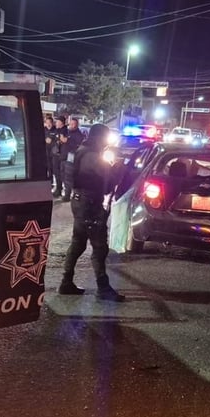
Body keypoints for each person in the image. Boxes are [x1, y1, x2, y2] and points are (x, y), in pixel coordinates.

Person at [59, 122, 125, 302]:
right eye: (105, 139)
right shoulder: (94, 157)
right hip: (89, 204)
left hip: (79, 201)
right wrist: (117, 170)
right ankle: (103, 288)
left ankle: (66, 282)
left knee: (78, 242)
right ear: (99, 137)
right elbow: (107, 186)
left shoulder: (80, 151)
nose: (106, 143)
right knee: (99, 246)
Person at [58, 117, 86, 201]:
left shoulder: (78, 135)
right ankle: (65, 191)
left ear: (77, 125)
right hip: (63, 156)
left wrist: (65, 140)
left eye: (74, 124)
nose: (72, 125)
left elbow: (72, 144)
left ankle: (67, 195)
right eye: (71, 123)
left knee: (68, 177)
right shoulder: (67, 132)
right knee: (62, 175)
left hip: (71, 158)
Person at [50, 115, 68, 198]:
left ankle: (61, 190)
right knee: (56, 173)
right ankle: (58, 189)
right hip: (55, 154)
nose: (56, 122)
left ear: (61, 122)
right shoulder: (57, 130)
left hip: (61, 155)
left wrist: (61, 138)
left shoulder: (65, 130)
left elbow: (64, 140)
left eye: (57, 121)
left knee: (61, 173)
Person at [43, 114, 56, 183]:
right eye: (47, 123)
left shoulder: (55, 130)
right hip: (45, 152)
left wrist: (52, 140)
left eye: (50, 123)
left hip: (53, 152)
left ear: (52, 123)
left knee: (51, 168)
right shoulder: (43, 130)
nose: (48, 124)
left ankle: (51, 182)